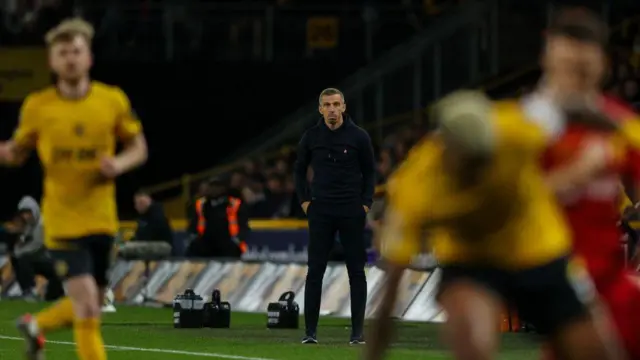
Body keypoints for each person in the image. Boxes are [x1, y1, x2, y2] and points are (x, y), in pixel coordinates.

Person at [0, 18, 147, 360]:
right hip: (63, 222)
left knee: (91, 303)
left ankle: (37, 326)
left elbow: (138, 146)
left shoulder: (111, 101)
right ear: (51, 61)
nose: (70, 59)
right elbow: (16, 154)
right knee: (87, 310)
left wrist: (119, 164)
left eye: (76, 51)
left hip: (102, 220)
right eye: (62, 52)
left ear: (89, 58)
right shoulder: (39, 106)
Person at [294, 87, 376, 345]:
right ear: (320, 109)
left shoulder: (359, 136)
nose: (331, 109)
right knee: (315, 270)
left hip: (351, 210)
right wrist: (305, 202)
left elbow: (371, 172)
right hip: (321, 211)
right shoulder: (311, 136)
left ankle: (357, 334)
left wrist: (365, 204)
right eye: (327, 105)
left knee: (357, 273)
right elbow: (298, 171)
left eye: (336, 104)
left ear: (343, 107)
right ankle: (310, 333)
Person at [10, 196, 65, 302]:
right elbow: (21, 242)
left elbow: (37, 245)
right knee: (18, 259)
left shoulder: (41, 224)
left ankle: (33, 291)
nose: (25, 216)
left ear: (34, 210)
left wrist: (18, 252)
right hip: (43, 259)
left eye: (28, 212)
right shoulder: (30, 225)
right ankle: (28, 291)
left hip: (55, 260)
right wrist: (17, 252)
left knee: (23, 259)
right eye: (23, 213)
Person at [186, 177, 250, 258]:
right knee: (193, 249)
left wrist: (237, 240)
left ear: (224, 188)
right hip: (206, 242)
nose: (214, 189)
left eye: (217, 186)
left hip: (227, 242)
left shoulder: (235, 204)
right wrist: (193, 237)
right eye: (212, 186)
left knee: (232, 251)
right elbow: (193, 224)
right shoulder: (201, 204)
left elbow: (243, 225)